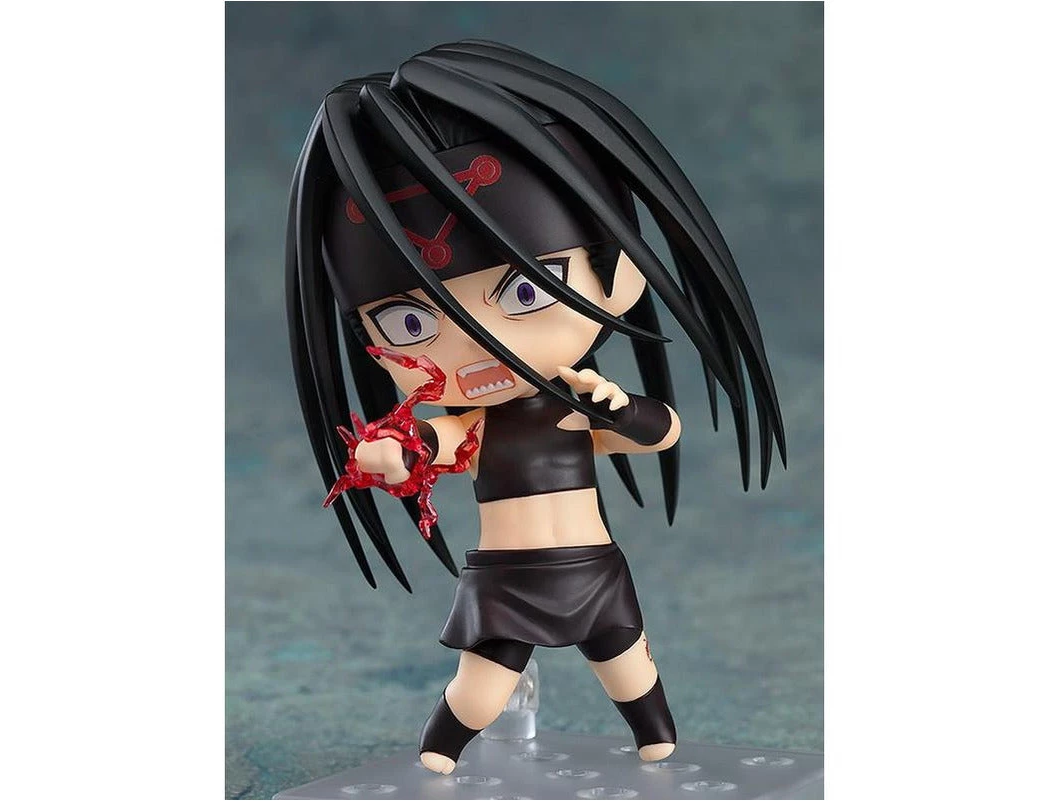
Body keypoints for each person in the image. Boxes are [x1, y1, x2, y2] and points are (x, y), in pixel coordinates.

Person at [286, 40, 785, 775]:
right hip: (506, 577)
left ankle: (657, 740)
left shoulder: (579, 403)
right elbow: (428, 448)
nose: (481, 345)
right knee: (481, 689)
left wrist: (619, 410)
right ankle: (438, 756)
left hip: (593, 563)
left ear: (620, 275)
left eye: (526, 291)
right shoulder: (469, 423)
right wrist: (389, 457)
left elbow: (661, 430)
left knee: (629, 665)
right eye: (409, 323)